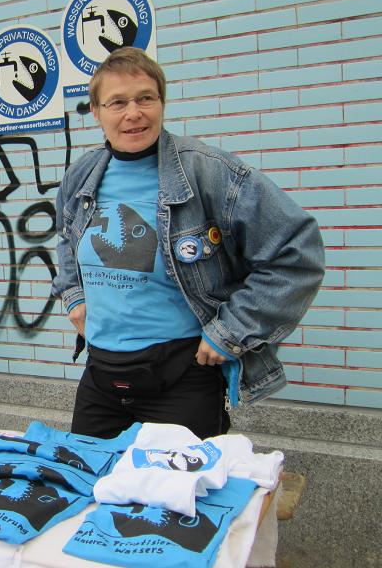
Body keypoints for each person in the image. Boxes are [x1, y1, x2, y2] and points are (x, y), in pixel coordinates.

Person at [52, 47, 324, 440]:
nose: (134, 113)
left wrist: (231, 331)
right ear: (96, 111)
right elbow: (66, 234)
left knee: (181, 499)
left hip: (182, 380)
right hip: (101, 378)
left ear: (161, 102)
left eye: (146, 98)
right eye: (118, 102)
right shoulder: (82, 175)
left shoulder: (209, 173)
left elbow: (297, 251)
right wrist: (73, 294)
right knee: (91, 488)